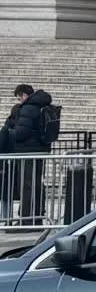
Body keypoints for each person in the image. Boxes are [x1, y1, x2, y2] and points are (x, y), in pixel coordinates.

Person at [0, 83, 57, 225]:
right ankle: (36, 216)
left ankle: (26, 219)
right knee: (36, 184)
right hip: (40, 151)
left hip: (26, 151)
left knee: (26, 186)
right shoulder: (41, 105)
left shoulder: (28, 108)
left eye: (19, 97)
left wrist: (8, 134)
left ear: (24, 95)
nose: (19, 100)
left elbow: (21, 133)